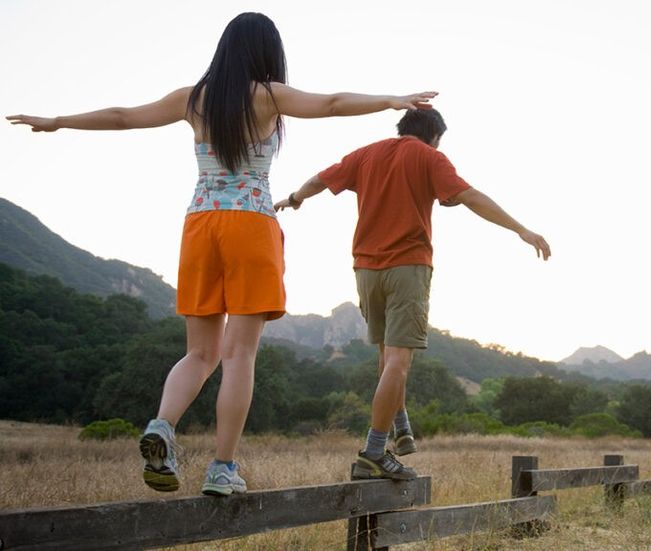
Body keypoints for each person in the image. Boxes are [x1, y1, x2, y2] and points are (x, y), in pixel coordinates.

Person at [6, 12, 436, 496]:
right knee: (239, 355)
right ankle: (222, 467)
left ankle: (163, 426)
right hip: (250, 224)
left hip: (200, 224)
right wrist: (390, 101)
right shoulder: (267, 95)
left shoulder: (194, 99)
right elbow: (333, 103)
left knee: (199, 352)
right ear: (267, 51)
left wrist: (59, 122)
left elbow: (125, 117)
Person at [274, 108, 550, 480]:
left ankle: (401, 425)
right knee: (399, 361)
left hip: (365, 269)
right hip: (408, 266)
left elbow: (321, 179)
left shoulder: (366, 153)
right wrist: (521, 230)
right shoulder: (429, 156)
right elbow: (470, 196)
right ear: (434, 136)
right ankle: (373, 453)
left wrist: (294, 197)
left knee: (388, 354)